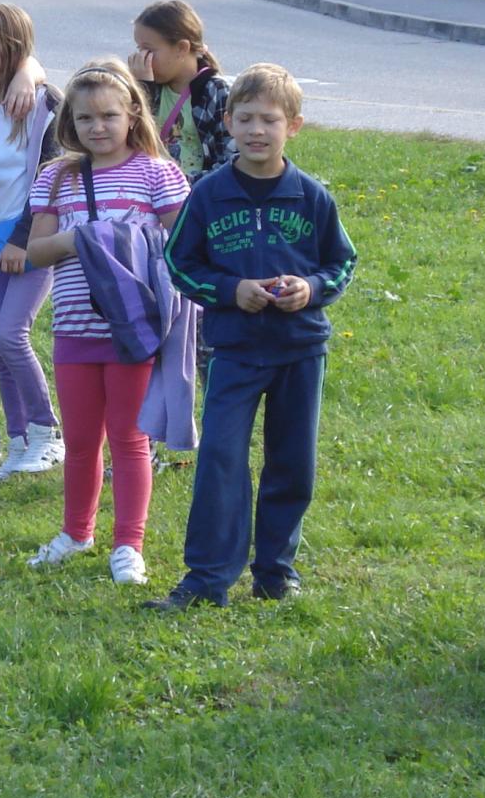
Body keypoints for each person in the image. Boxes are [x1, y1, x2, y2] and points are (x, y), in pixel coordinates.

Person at [151, 64, 356, 609]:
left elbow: (341, 262)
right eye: (245, 119)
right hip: (235, 350)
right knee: (220, 458)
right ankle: (206, 578)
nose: (256, 130)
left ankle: (275, 571)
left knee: (292, 461)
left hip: (299, 350)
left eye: (270, 119)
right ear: (228, 122)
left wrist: (310, 289)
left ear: (294, 126)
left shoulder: (311, 197)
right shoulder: (208, 194)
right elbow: (180, 262)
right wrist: (229, 290)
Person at [23, 61, 189, 585]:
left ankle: (129, 545)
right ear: (69, 122)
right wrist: (84, 239)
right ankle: (76, 533)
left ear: (133, 113)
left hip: (133, 328)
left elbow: (183, 244)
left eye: (109, 116)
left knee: (129, 438)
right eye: (85, 118)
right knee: (79, 440)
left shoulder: (157, 173)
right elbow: (35, 251)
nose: (98, 127)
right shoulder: (56, 177)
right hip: (74, 326)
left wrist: (128, 244)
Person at [0, 1, 64, 480]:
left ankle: (48, 434)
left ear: (12, 46)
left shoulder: (44, 103)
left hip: (34, 236)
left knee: (12, 335)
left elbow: (52, 177)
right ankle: (19, 439)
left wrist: (24, 240)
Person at [128, 0, 232, 180]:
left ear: (182, 48)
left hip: (198, 190)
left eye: (148, 50)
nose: (141, 58)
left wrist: (187, 185)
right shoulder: (150, 88)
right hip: (151, 188)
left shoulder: (216, 92)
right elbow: (130, 142)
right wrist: (142, 89)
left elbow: (230, 158)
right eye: (139, 49)